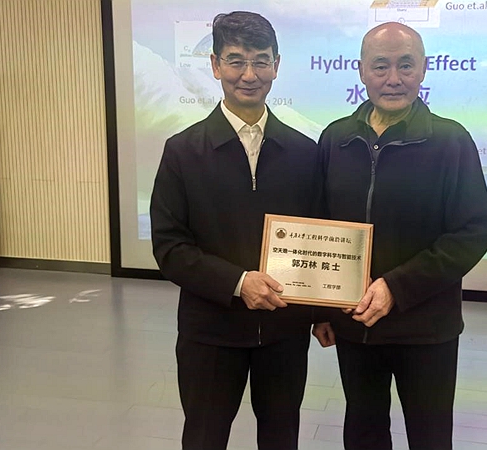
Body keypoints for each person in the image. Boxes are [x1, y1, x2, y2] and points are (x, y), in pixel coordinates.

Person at [312, 22, 487, 450]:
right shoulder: (336, 139)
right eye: (381, 66)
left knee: (430, 435)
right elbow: (319, 225)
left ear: (424, 69)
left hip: (427, 328)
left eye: (405, 65)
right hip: (355, 325)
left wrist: (397, 287)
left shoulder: (451, 141)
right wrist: (321, 308)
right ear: (361, 70)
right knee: (363, 432)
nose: (393, 78)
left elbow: (474, 230)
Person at [150, 11, 319, 450]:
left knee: (281, 436)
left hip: (284, 329)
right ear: (214, 65)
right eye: (236, 60)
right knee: (205, 437)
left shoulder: (305, 153)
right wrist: (239, 283)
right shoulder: (183, 152)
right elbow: (169, 247)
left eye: (261, 61)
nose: (249, 74)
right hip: (210, 329)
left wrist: (324, 311)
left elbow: (318, 238)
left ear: (276, 66)